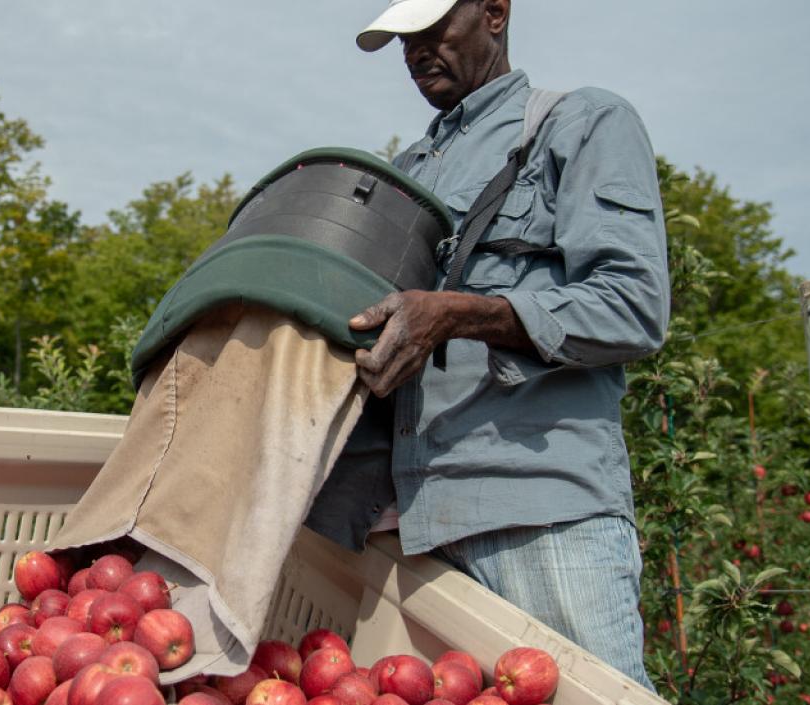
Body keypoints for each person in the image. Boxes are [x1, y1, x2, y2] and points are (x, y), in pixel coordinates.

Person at [340, 0, 669, 689]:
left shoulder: (576, 123)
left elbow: (632, 306)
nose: (416, 50)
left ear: (494, 11)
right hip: (409, 529)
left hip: (539, 513)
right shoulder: (404, 171)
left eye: (432, 29)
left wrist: (459, 314)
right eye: (404, 38)